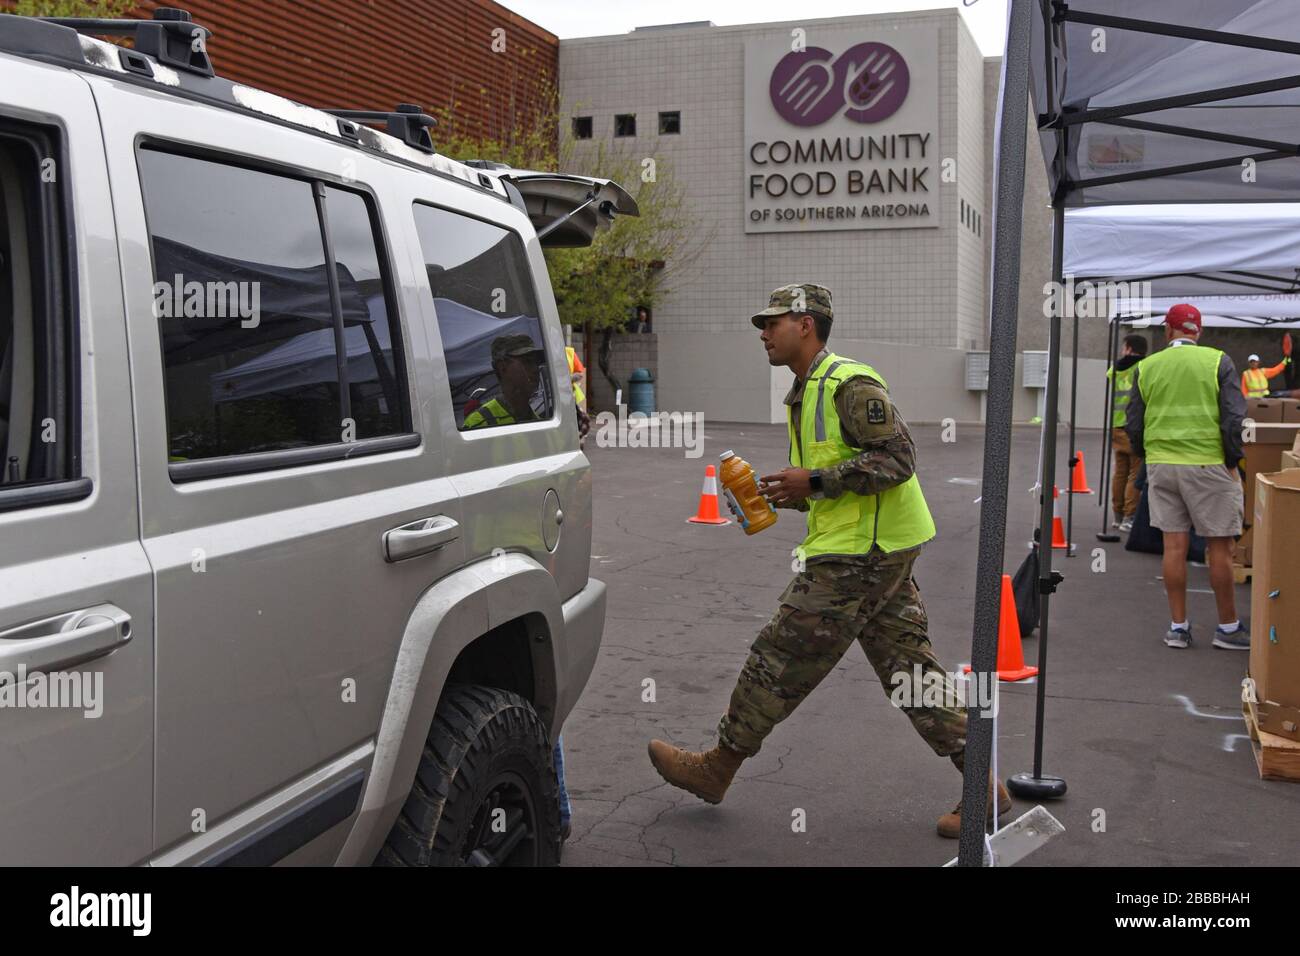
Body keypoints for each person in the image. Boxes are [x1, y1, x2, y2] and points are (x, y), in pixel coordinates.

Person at [645, 283, 1010, 839]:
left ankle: (718, 766)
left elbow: (898, 459)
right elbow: (842, 474)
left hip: (862, 555)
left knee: (779, 653)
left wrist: (815, 480)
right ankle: (985, 787)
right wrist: (797, 494)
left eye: (772, 323)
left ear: (805, 324)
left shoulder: (848, 383)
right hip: (870, 547)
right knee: (908, 670)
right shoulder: (807, 389)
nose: (763, 334)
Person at [1125, 303, 1249, 651]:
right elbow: (1234, 418)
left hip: (1163, 466)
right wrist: (1232, 461)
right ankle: (1228, 627)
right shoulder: (1218, 362)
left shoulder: (1147, 367)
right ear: (1199, 331)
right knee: (1220, 547)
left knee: (1173, 547)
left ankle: (1178, 627)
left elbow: (1133, 422)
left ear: (1168, 331)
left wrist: (1150, 457)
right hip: (1208, 464)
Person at [1107, 334, 1147, 533]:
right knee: (1134, 474)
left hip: (1116, 426)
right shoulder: (1143, 368)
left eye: (1124, 347)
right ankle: (1129, 517)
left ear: (1130, 348)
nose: (1123, 350)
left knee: (1120, 472)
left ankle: (1117, 514)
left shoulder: (1114, 369)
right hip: (1133, 426)